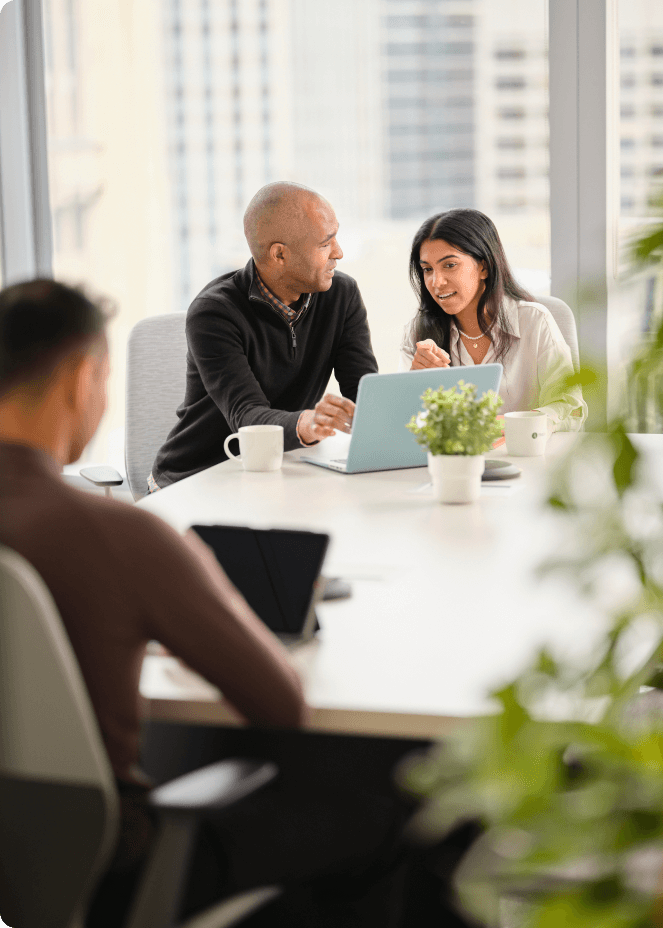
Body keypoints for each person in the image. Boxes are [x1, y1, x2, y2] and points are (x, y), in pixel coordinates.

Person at [0, 279, 464, 928]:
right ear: (82, 380)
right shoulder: (123, 537)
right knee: (407, 781)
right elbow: (279, 703)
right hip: (112, 874)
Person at [150, 181, 378, 490]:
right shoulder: (214, 312)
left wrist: (400, 394)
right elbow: (247, 416)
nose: (339, 252)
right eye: (326, 243)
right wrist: (308, 423)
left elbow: (363, 394)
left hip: (278, 473)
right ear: (279, 255)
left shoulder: (342, 295)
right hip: (197, 479)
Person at [400, 208, 587, 431]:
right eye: (427, 269)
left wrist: (508, 425)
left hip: (525, 458)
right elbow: (407, 426)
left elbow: (570, 406)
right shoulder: (418, 334)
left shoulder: (534, 321)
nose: (436, 282)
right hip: (454, 463)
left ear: (484, 267)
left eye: (450, 265)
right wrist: (416, 383)